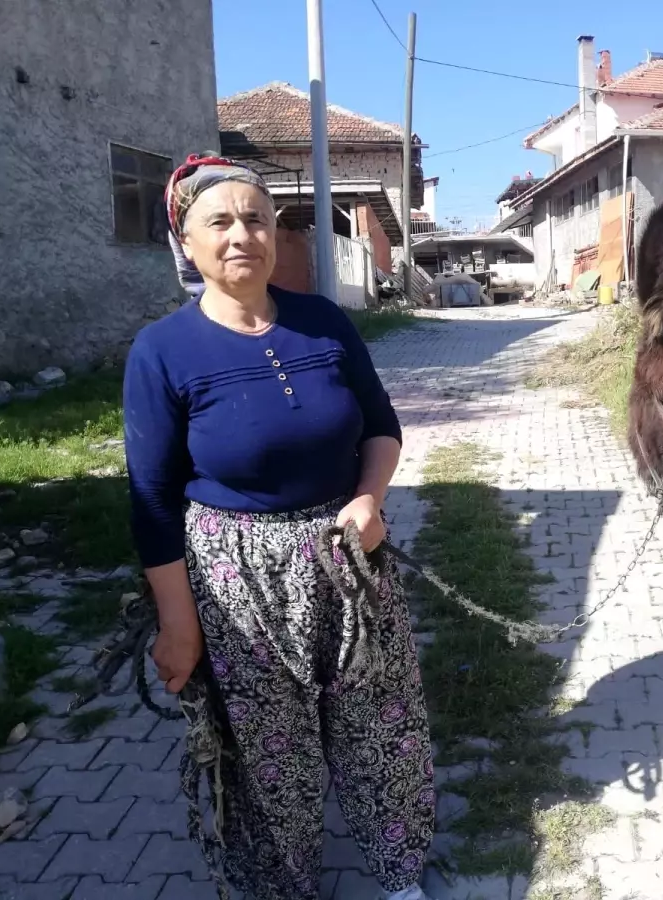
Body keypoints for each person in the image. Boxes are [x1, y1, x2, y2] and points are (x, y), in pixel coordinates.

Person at [122, 154, 435, 900]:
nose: (242, 235)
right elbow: (153, 500)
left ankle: (397, 877)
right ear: (185, 242)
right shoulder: (162, 352)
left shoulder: (322, 322)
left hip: (348, 557)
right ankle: (285, 885)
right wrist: (179, 624)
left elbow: (381, 427)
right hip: (239, 580)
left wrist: (369, 499)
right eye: (219, 222)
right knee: (270, 751)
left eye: (256, 218)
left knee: (379, 725)